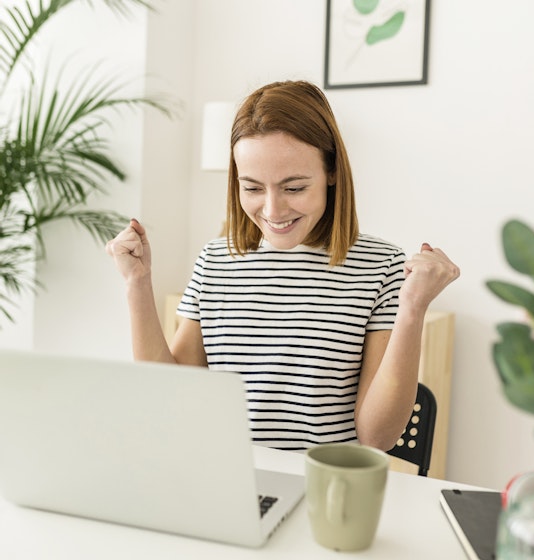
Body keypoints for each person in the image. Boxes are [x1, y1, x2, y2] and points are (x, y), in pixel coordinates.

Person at [106, 80, 460, 452]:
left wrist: (413, 308)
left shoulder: (381, 266)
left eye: (293, 188)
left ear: (331, 173)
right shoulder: (214, 262)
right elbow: (172, 399)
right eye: (254, 188)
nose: (273, 211)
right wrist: (137, 283)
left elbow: (378, 437)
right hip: (229, 483)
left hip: (325, 493)